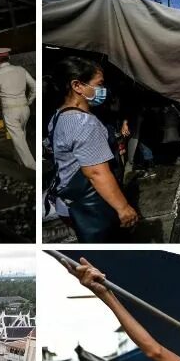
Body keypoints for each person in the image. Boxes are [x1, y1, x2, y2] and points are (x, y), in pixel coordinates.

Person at [44, 56, 138, 242]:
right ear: (77, 86)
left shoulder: (58, 116)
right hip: (92, 204)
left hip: (68, 202)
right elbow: (96, 172)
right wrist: (123, 207)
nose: (103, 90)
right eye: (99, 84)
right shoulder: (84, 123)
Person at [0, 47, 36, 169]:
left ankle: (32, 167)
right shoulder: (21, 70)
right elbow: (35, 86)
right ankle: (19, 160)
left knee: (19, 140)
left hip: (10, 111)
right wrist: (29, 100)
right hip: (25, 109)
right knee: (21, 135)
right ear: (9, 58)